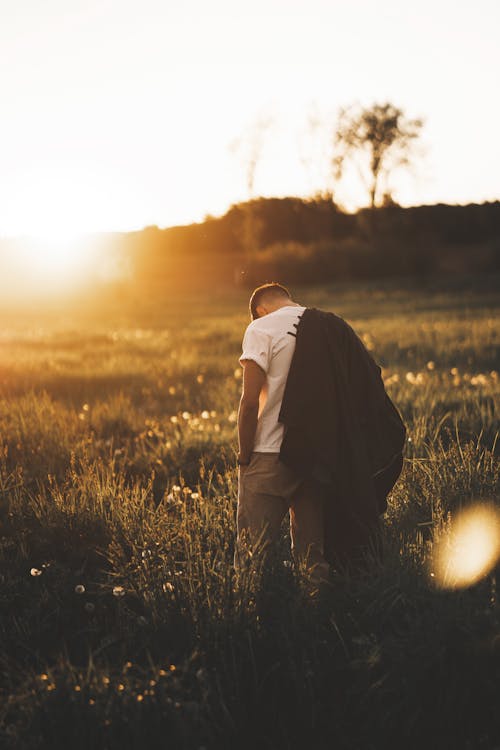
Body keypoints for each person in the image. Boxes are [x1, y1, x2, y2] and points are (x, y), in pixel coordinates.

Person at [235, 282, 406, 581]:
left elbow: (249, 403)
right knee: (312, 558)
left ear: (259, 310)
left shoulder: (260, 328)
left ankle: (247, 618)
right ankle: (316, 616)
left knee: (252, 554)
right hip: (314, 457)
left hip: (267, 455)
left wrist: (244, 456)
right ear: (288, 299)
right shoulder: (328, 326)